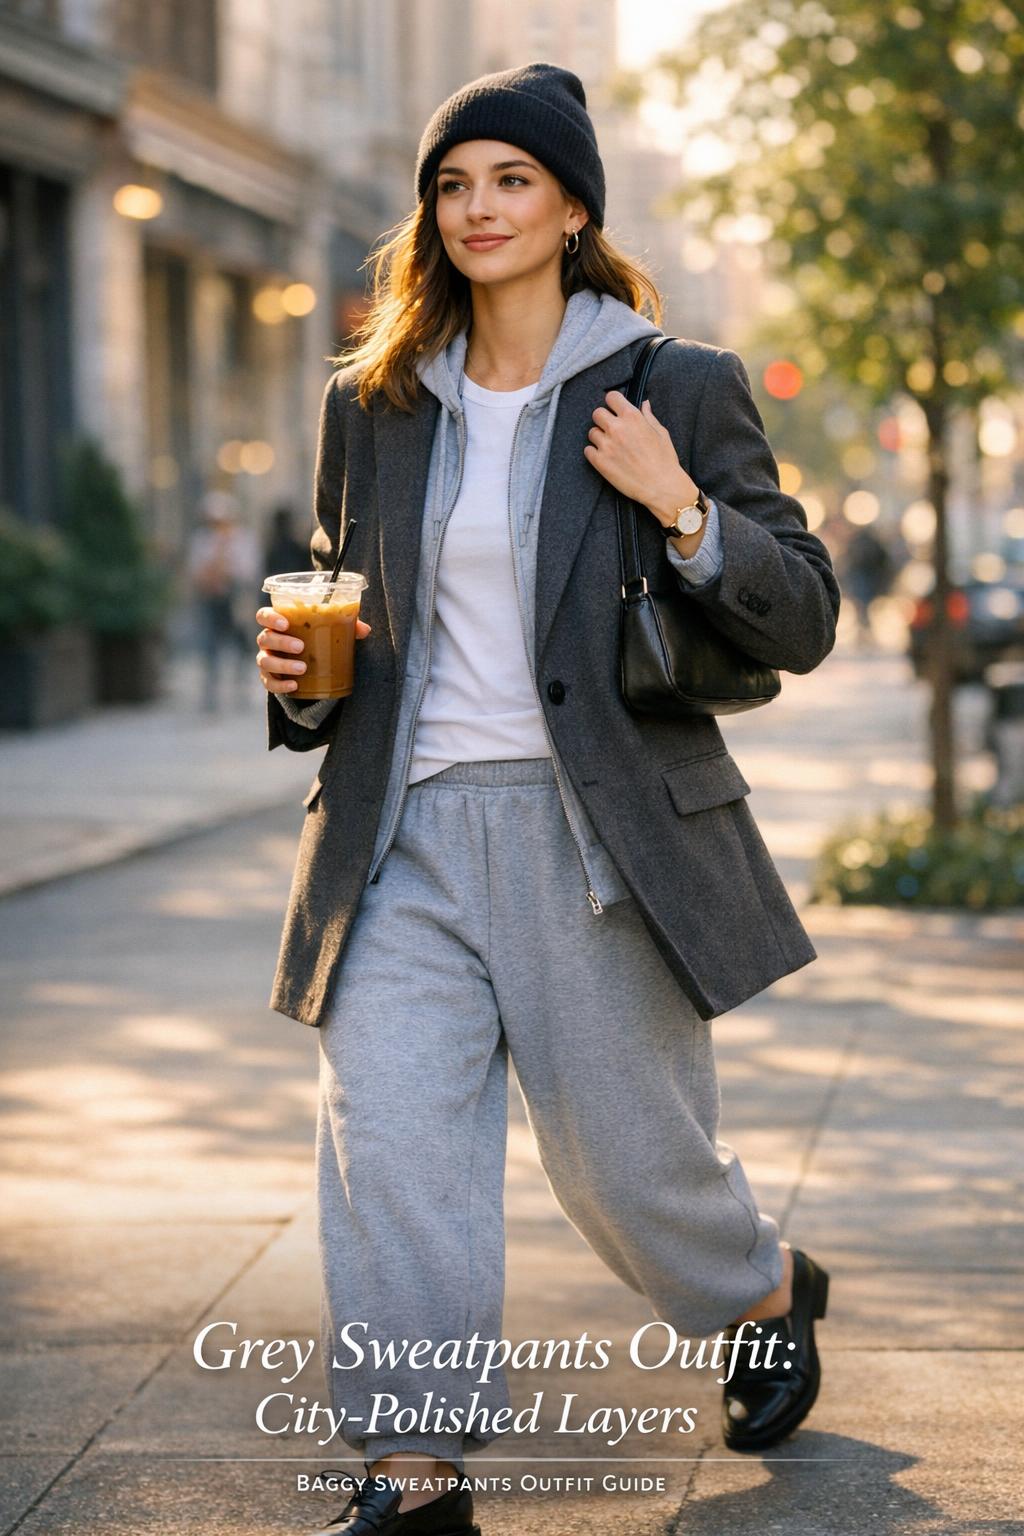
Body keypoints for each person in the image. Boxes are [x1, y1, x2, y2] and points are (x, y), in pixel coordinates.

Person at [255, 63, 840, 1536]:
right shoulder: (372, 402)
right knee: (390, 1151)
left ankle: (760, 1285)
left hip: (602, 835)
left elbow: (806, 615)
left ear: (573, 205)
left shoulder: (676, 384)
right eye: (453, 185)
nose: (478, 210)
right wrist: (300, 678)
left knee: (629, 1169)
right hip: (399, 840)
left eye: (511, 181)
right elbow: (342, 628)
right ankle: (414, 1472)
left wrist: (683, 506)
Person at [188, 491, 260, 710]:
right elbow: (197, 573)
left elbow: (247, 571)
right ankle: (210, 695)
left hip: (236, 599)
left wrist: (222, 567)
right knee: (210, 645)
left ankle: (241, 692)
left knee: (240, 644)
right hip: (211, 599)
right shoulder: (202, 540)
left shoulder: (244, 539)